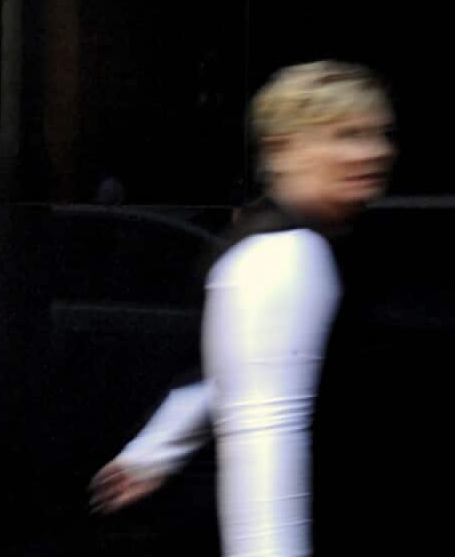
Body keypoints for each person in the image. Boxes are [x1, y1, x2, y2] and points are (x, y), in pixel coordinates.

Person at [88, 60, 396, 556]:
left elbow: (232, 373)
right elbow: (265, 447)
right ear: (284, 149)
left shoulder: (278, 235)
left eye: (377, 134)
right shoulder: (286, 254)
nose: (374, 152)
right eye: (346, 134)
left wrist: (155, 451)